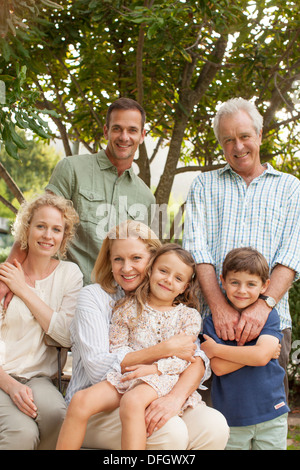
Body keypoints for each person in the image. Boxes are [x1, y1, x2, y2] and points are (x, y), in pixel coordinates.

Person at [63, 220, 229, 450]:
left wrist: (159, 375)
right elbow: (102, 365)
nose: (126, 267)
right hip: (114, 391)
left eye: (136, 258)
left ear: (151, 260)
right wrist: (166, 349)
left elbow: (194, 359)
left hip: (161, 382)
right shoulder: (119, 305)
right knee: (170, 432)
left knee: (215, 426)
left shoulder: (186, 315)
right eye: (118, 259)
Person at [183, 97, 300, 397]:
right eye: (228, 140)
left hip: (270, 325)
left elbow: (291, 255)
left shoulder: (290, 188)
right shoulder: (204, 185)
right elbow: (198, 252)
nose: (238, 147)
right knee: (209, 426)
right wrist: (220, 308)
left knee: (265, 422)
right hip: (213, 325)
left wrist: (262, 308)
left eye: (245, 136)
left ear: (259, 135)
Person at [0, 98, 156, 295]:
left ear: (142, 135)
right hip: (62, 293)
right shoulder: (72, 169)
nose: (124, 137)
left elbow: (144, 258)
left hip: (116, 303)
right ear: (106, 131)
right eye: (117, 129)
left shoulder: (146, 198)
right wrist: (7, 280)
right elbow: (35, 227)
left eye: (132, 130)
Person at [0, 193, 83, 449]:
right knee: (22, 433)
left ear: (64, 236)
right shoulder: (5, 277)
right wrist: (11, 386)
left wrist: (23, 289)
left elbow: (66, 335)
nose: (48, 235)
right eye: (41, 226)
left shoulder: (69, 275)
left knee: (59, 416)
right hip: (2, 376)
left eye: (56, 229)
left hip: (40, 378)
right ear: (27, 229)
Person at [202, 247, 289, 450]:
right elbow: (219, 368)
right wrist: (260, 354)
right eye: (235, 282)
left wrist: (216, 349)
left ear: (265, 286)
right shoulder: (212, 322)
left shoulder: (269, 316)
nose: (242, 290)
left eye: (251, 284)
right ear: (222, 281)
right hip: (232, 416)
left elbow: (259, 356)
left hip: (271, 412)